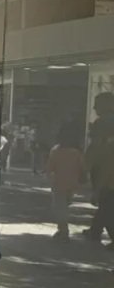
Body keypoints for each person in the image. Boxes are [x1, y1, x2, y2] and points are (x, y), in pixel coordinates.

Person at [47, 123, 86, 240]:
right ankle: (63, 229)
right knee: (65, 206)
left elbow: (50, 167)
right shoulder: (77, 152)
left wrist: (50, 178)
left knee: (60, 207)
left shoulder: (56, 150)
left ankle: (63, 230)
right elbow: (83, 168)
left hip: (59, 183)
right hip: (72, 184)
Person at [85, 92, 114, 246]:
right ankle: (95, 229)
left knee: (105, 199)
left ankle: (99, 230)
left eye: (98, 104)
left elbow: (96, 145)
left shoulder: (102, 122)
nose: (95, 108)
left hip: (103, 164)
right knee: (107, 200)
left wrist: (87, 164)